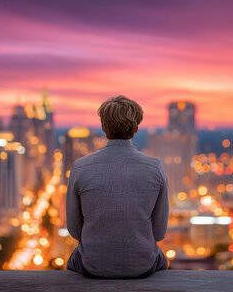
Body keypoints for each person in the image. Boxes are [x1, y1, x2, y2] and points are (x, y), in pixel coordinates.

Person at [66, 95, 169, 278]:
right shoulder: (155, 167)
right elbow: (159, 233)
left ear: (103, 127)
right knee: (162, 259)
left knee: (73, 259)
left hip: (93, 267)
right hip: (142, 266)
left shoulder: (80, 166)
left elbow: (74, 230)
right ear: (136, 128)